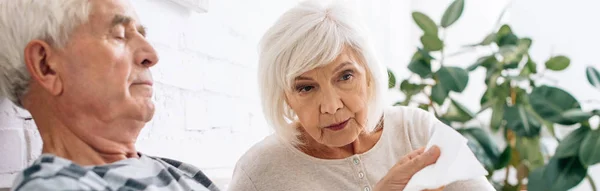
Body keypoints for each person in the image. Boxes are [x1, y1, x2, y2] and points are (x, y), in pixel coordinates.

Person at [229, 0, 496, 190]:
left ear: (369, 75)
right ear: (285, 97)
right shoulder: (259, 173)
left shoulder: (416, 130)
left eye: (345, 76)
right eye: (306, 87)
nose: (332, 107)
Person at [0, 0, 218, 190]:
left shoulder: (184, 173)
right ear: (46, 65)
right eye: (120, 35)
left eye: (141, 35)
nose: (151, 55)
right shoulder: (54, 186)